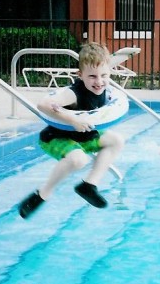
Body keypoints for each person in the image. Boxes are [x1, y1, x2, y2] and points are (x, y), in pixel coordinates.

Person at [18, 42, 125, 219]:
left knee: (116, 140)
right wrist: (73, 119)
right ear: (80, 75)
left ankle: (88, 185)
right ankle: (42, 194)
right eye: (92, 76)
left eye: (103, 75)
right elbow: (43, 104)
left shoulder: (103, 86)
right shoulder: (74, 93)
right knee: (78, 160)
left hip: (84, 136)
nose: (99, 82)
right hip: (57, 137)